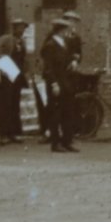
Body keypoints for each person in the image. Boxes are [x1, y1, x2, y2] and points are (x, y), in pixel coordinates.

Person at [38, 11, 80, 153]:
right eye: (66, 29)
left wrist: (73, 61)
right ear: (60, 30)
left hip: (67, 82)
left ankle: (67, 141)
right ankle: (55, 143)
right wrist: (54, 83)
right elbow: (48, 67)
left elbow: (71, 56)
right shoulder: (50, 45)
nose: (68, 31)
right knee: (56, 113)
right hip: (56, 83)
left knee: (68, 112)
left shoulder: (65, 43)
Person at [0, 25, 25, 143]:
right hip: (6, 75)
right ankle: (2, 133)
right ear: (14, 29)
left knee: (15, 104)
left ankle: (13, 133)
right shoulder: (5, 39)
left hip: (17, 76)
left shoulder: (21, 42)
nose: (22, 31)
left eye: (24, 29)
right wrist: (4, 65)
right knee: (5, 104)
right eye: (20, 28)